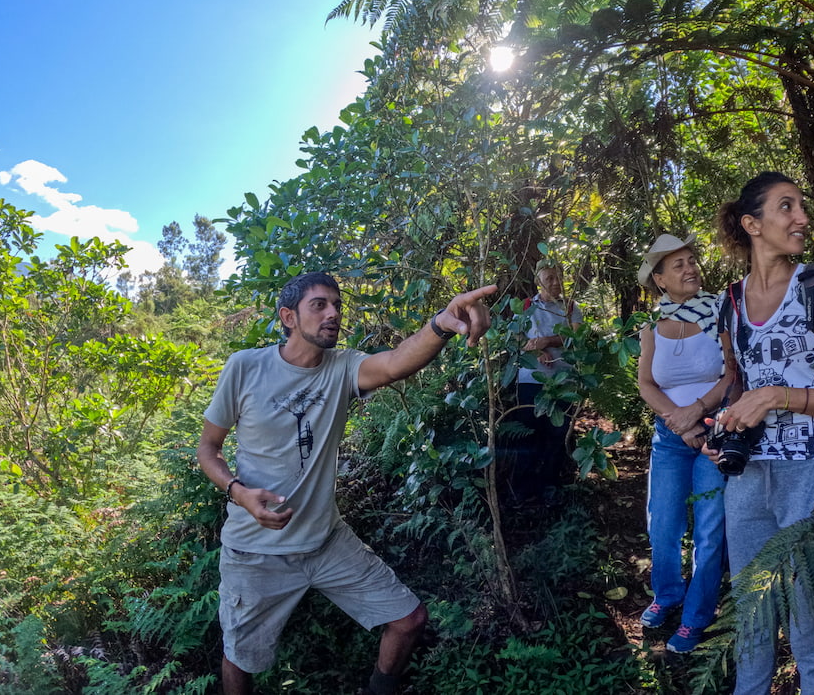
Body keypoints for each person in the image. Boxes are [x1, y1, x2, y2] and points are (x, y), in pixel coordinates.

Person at [197, 271, 497, 695]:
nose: (333, 314)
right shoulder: (246, 367)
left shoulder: (343, 368)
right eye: (319, 305)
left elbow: (394, 363)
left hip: (326, 541)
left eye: (336, 305)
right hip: (254, 552)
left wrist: (441, 324)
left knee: (408, 620)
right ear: (288, 317)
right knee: (240, 658)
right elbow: (208, 449)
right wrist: (239, 493)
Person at [713, 172, 814, 695]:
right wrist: (722, 422)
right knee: (751, 613)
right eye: (787, 207)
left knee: (810, 617)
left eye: (801, 206)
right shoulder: (730, 302)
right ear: (752, 224)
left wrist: (779, 396)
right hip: (748, 475)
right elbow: (736, 383)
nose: (801, 218)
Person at [635, 233, 733, 653]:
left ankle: (695, 617)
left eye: (692, 260)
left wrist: (698, 413)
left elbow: (732, 375)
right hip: (672, 438)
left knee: (710, 531)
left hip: (716, 432)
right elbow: (645, 384)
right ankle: (668, 594)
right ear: (660, 279)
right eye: (678, 265)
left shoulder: (719, 312)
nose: (690, 268)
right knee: (663, 525)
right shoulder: (651, 329)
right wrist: (680, 425)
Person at [507, 259, 583, 505]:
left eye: (558, 276)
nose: (555, 282)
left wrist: (547, 341)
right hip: (530, 381)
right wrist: (535, 352)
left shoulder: (570, 307)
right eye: (549, 278)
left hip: (563, 381)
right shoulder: (526, 307)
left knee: (557, 436)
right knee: (528, 436)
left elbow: (576, 336)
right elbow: (516, 340)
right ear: (538, 281)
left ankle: (549, 489)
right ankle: (521, 491)